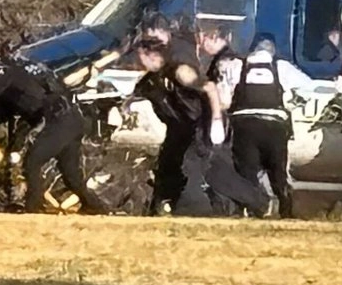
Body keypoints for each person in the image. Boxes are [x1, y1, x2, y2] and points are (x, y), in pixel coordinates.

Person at [0, 59, 108, 215]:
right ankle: (94, 206)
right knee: (70, 173)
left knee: (32, 163)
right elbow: (9, 112)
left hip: (59, 121)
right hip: (73, 120)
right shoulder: (29, 77)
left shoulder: (11, 74)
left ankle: (34, 207)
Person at [135, 38, 269, 218]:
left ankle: (190, 207)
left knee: (193, 164)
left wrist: (216, 120)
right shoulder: (155, 78)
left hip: (206, 124)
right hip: (193, 127)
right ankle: (258, 203)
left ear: (151, 55)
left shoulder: (180, 71)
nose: (139, 62)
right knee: (215, 172)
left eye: (141, 57)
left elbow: (210, 87)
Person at [225, 34, 315, 218]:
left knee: (247, 173)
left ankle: (248, 211)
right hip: (275, 127)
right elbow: (309, 86)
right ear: (273, 49)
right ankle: (286, 212)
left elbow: (225, 96)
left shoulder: (236, 66)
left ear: (252, 48)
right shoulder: (282, 67)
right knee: (278, 173)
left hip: (244, 126)